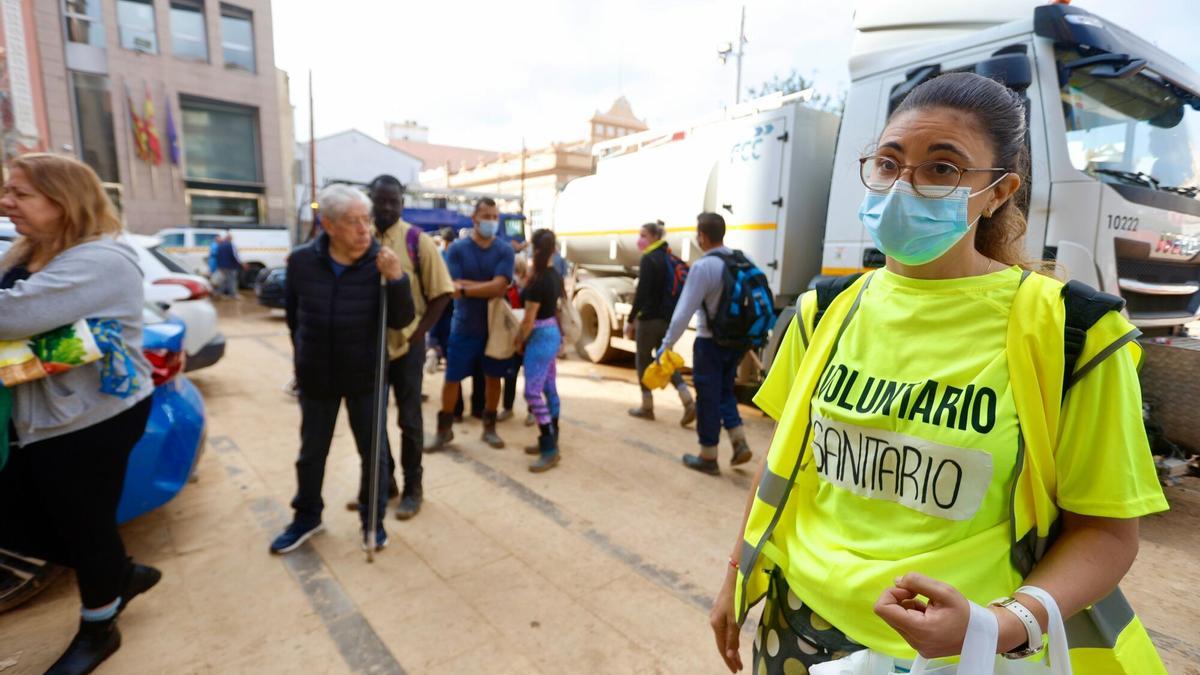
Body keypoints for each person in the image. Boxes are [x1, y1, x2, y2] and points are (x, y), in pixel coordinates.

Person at [709, 73, 1169, 674]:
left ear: (1000, 192)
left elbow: (1107, 533)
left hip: (958, 655)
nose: (904, 185)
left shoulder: (1071, 332)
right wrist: (736, 575)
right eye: (889, 161)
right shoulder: (823, 311)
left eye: (942, 169)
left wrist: (999, 626)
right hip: (796, 627)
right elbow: (785, 468)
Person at [0, 153, 159, 674]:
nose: (7, 202)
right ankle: (119, 573)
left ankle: (99, 625)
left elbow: (12, 314)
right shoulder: (34, 249)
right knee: (31, 517)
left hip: (92, 416)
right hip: (43, 416)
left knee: (84, 522)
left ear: (63, 201)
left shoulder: (100, 260)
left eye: (21, 194)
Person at [270, 184, 414, 555]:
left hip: (366, 376)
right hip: (317, 375)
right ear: (329, 225)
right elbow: (293, 317)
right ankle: (307, 517)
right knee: (311, 453)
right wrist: (303, 356)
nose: (364, 230)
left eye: (366, 221)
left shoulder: (380, 262)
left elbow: (401, 319)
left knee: (374, 453)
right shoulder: (302, 262)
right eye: (353, 222)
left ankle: (373, 521)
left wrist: (397, 278)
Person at [364, 174, 453, 520]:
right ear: (370, 200)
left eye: (393, 201)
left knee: (410, 421)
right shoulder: (361, 239)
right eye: (380, 200)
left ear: (402, 203)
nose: (386, 207)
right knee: (372, 420)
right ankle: (385, 485)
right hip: (371, 349)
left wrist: (420, 334)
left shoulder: (418, 241)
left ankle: (413, 489)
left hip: (407, 348)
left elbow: (443, 293)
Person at [657, 213, 752, 476]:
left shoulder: (704, 266)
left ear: (702, 236)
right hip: (737, 342)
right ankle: (738, 440)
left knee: (708, 398)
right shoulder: (742, 260)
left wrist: (667, 344)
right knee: (725, 392)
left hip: (710, 343)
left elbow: (683, 312)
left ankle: (708, 456)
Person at [429, 197, 515, 450]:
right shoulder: (457, 249)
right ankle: (443, 430)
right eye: (485, 215)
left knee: (493, 378)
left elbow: (501, 286)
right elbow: (451, 287)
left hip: (494, 329)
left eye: (494, 216)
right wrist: (484, 288)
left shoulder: (504, 250)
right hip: (463, 327)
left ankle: (489, 428)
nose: (490, 220)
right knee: (452, 378)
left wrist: (466, 289)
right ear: (474, 218)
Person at [624, 220, 696, 425]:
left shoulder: (649, 259)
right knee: (665, 361)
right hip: (666, 319)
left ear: (655, 237)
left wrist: (630, 320)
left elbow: (642, 293)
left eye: (643, 235)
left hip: (648, 320)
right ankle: (688, 401)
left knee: (642, 360)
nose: (640, 239)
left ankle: (647, 406)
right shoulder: (667, 256)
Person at [514, 229, 563, 472]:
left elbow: (528, 319)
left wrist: (519, 340)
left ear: (535, 249)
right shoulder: (554, 275)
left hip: (540, 338)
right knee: (549, 387)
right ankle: (552, 439)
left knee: (532, 393)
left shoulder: (537, 280)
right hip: (552, 334)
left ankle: (549, 448)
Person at [214, 232, 244, 299]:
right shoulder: (231, 245)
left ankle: (218, 293)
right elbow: (235, 256)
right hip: (231, 266)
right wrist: (240, 264)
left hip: (222, 266)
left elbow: (217, 256)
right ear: (230, 238)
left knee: (223, 280)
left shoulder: (220, 245)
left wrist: (219, 266)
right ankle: (233, 295)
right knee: (232, 280)